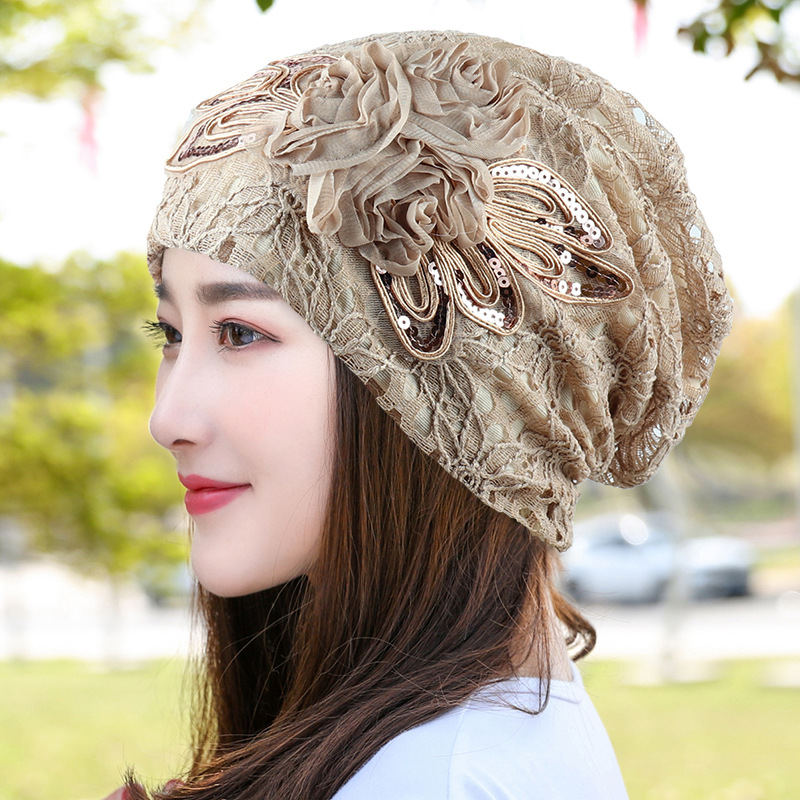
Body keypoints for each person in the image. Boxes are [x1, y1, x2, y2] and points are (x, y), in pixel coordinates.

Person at [111, 30, 732, 800]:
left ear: (451, 399)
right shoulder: (472, 743)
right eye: (171, 335)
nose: (167, 417)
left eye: (239, 333)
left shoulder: (432, 777)